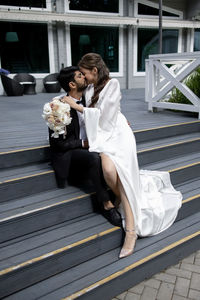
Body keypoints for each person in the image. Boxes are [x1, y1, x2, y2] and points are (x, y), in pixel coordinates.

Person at [61, 53, 182, 259]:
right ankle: (124, 197)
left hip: (117, 135)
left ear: (95, 71)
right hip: (101, 136)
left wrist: (77, 108)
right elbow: (73, 92)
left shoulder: (113, 84)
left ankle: (131, 232)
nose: (84, 76)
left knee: (121, 175)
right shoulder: (89, 87)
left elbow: (106, 116)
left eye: (85, 73)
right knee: (108, 172)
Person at [48, 66, 122, 227]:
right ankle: (106, 204)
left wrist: (120, 122)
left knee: (112, 151)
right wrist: (84, 143)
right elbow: (59, 144)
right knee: (94, 158)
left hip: (90, 146)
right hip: (69, 152)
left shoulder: (90, 100)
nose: (85, 78)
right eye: (80, 76)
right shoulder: (58, 106)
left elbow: (106, 113)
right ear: (72, 85)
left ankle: (121, 190)